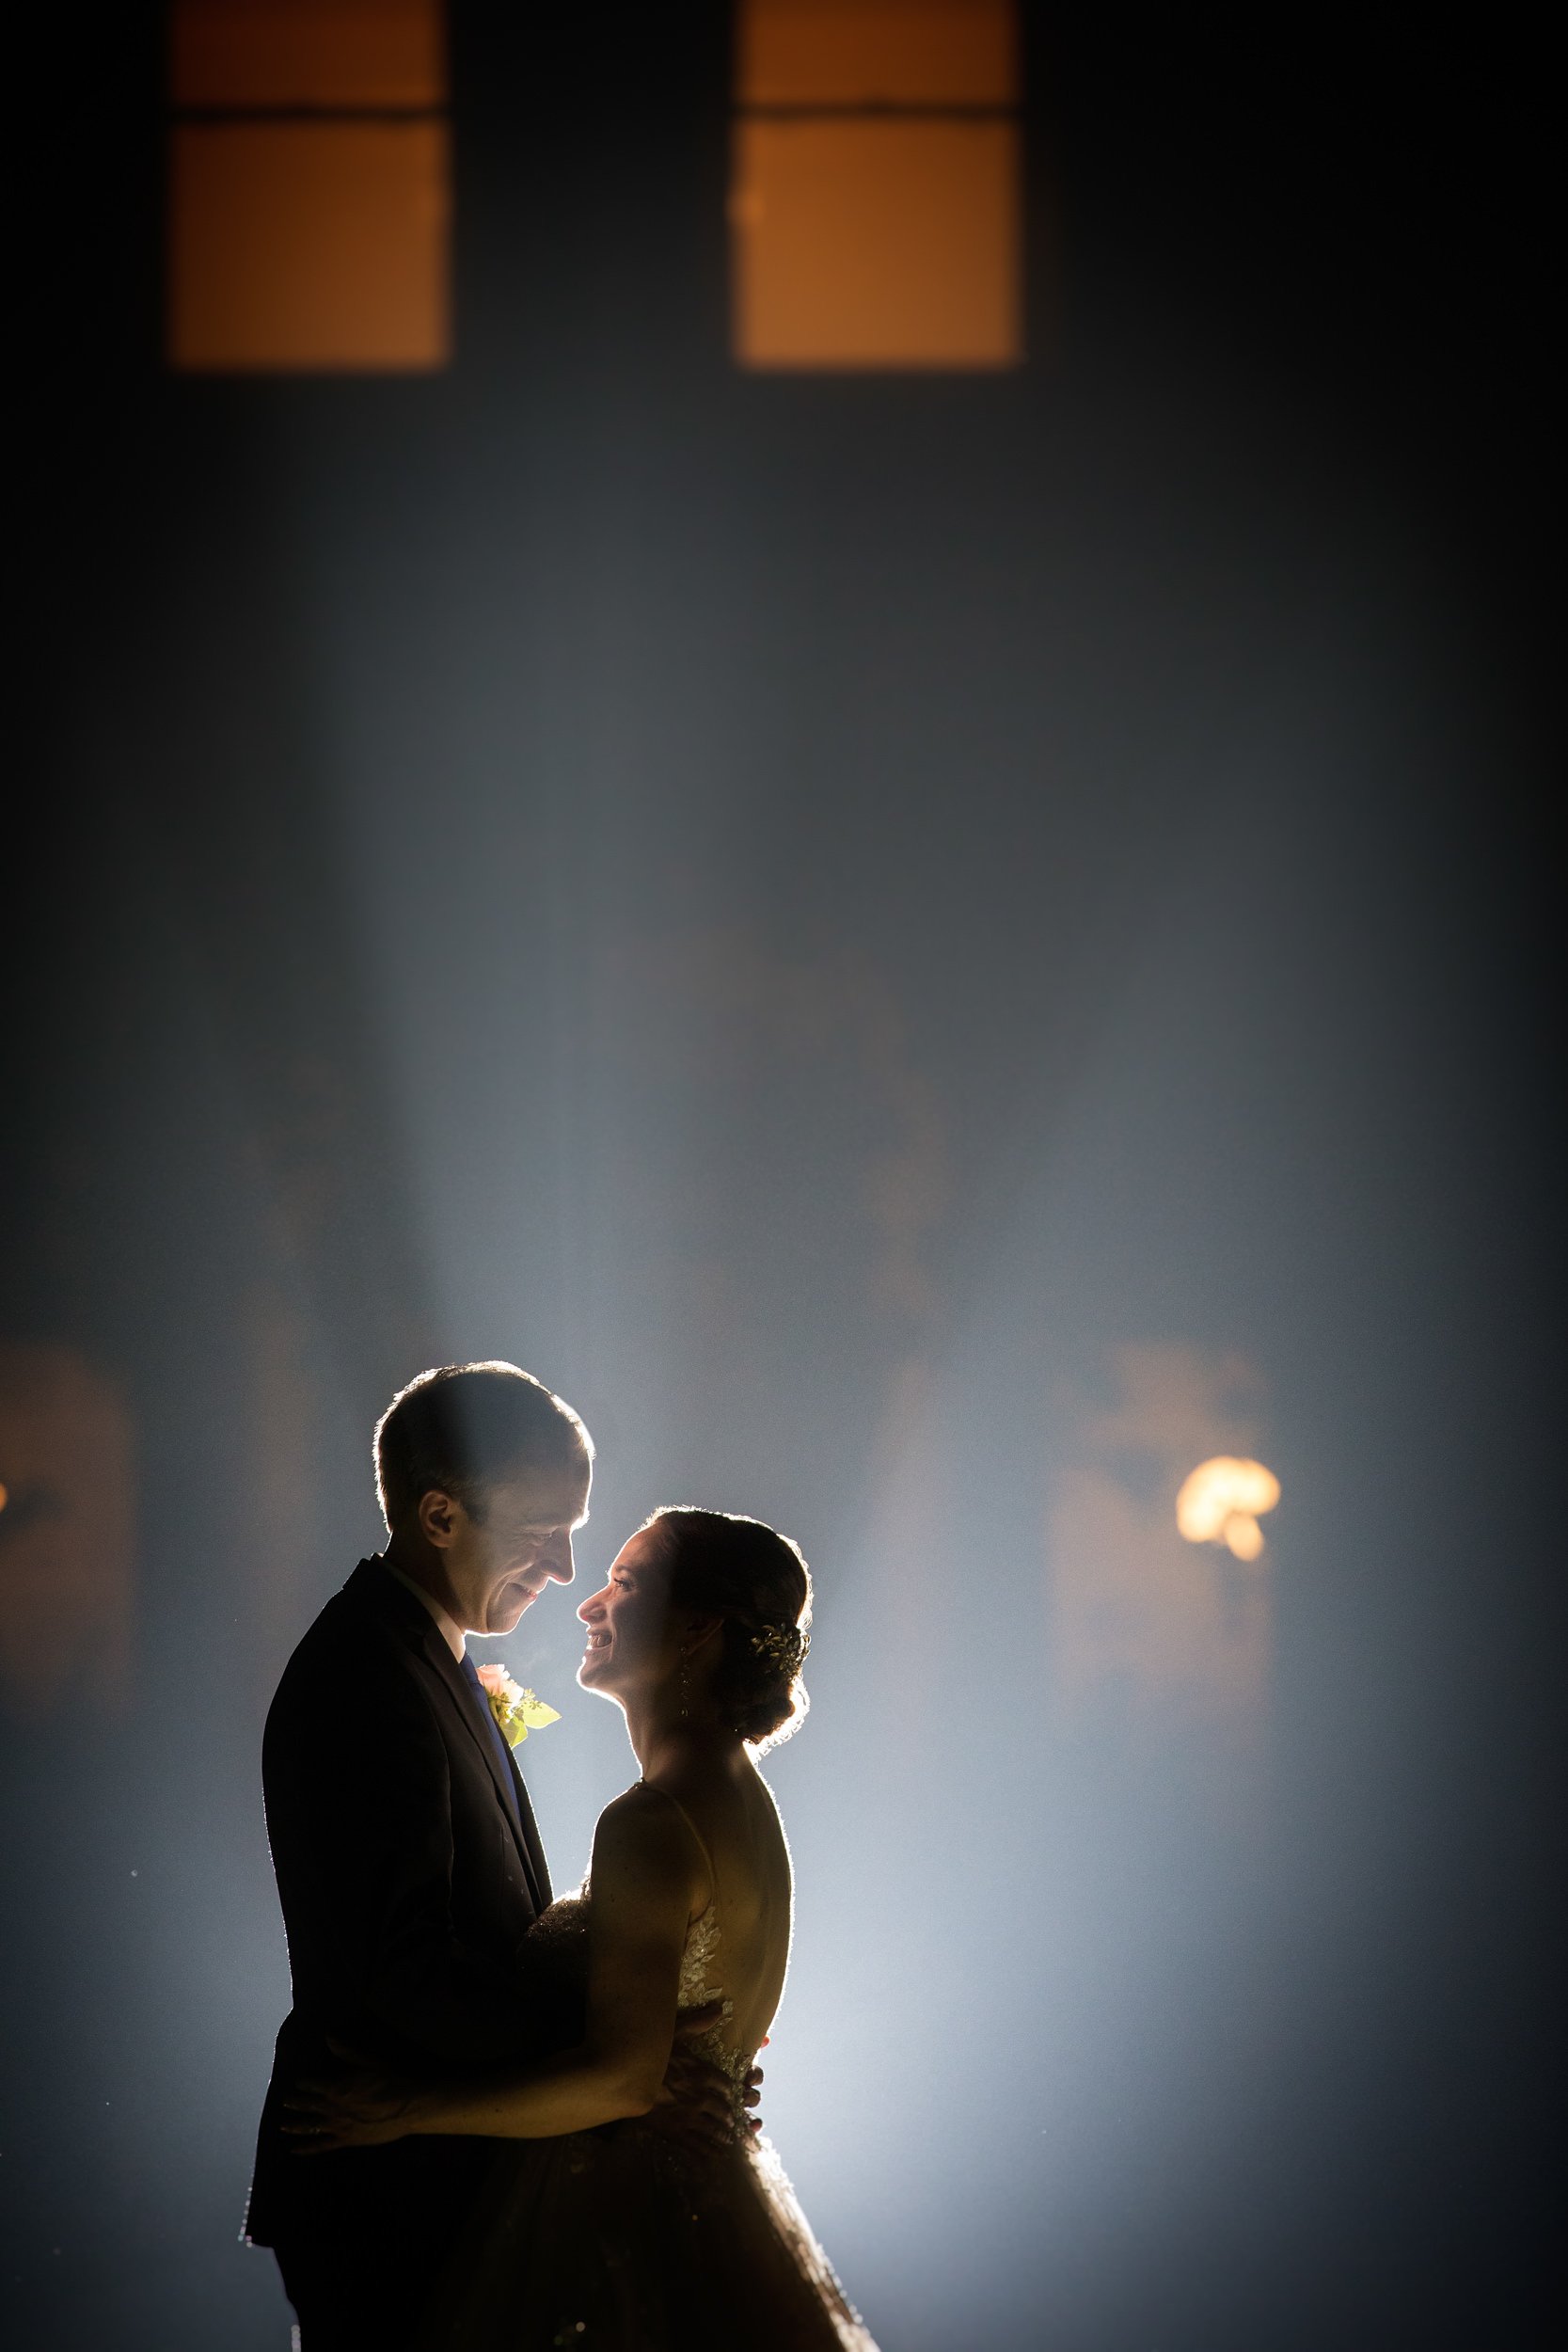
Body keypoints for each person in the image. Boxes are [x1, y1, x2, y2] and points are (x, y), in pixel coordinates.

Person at [286, 1504, 879, 2351]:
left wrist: (403, 2109)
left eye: (626, 1583)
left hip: (615, 2217)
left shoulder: (653, 1818)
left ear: (698, 1625)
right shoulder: (743, 1800)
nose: (588, 1602)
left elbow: (624, 2081)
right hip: (701, 2203)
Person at [245, 1363, 741, 2349]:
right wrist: (623, 2058)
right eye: (539, 1530)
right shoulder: (366, 1679)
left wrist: (636, 2056)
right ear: (438, 1516)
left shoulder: (422, 1658)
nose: (563, 1568)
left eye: (573, 1530)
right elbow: (407, 1970)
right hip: (389, 2183)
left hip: (440, 2166)